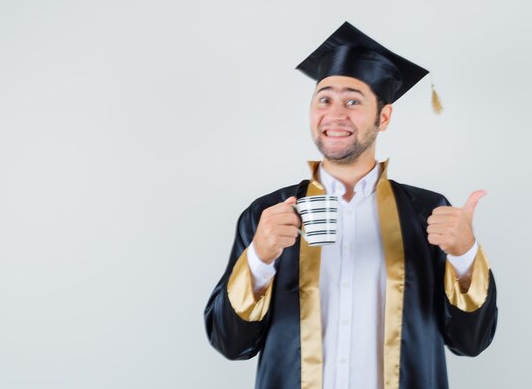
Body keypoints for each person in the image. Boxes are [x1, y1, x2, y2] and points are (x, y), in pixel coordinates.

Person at [204, 22, 498, 389]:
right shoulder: (269, 215)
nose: (335, 113)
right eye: (324, 99)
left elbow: (469, 343)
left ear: (384, 117)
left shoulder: (428, 214)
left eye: (353, 101)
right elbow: (230, 344)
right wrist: (260, 259)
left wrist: (465, 256)